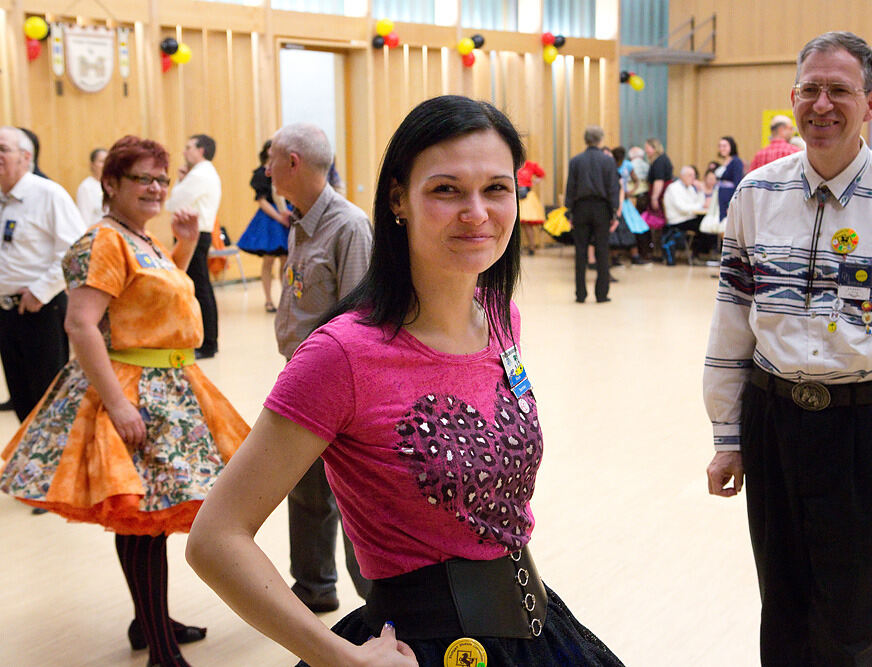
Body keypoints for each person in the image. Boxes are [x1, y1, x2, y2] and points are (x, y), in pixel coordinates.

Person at [186, 94, 624, 667]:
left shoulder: (499, 315)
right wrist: (336, 655)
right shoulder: (341, 354)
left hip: (533, 626)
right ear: (398, 199)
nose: (477, 212)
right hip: (424, 644)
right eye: (446, 190)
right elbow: (216, 538)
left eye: (496, 188)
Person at [704, 32, 872, 665]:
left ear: (871, 102)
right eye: (810, 90)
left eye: (840, 91)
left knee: (850, 621)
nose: (822, 105)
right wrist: (727, 435)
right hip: (775, 422)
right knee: (784, 607)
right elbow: (732, 322)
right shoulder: (755, 196)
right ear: (792, 98)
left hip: (868, 429)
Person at [0, 135, 250, 667]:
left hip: (168, 388)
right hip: (134, 390)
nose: (157, 187)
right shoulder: (104, 241)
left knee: (156, 516)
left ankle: (150, 621)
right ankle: (159, 645)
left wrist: (182, 245)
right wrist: (117, 405)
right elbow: (81, 322)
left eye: (162, 178)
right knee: (143, 518)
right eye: (144, 178)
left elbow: (160, 300)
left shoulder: (141, 238)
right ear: (111, 184)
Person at [270, 122, 374, 611]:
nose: (265, 169)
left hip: (339, 386)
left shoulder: (348, 226)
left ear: (292, 162)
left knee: (354, 499)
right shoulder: (301, 220)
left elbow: (361, 319)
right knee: (306, 489)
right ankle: (314, 587)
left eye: (270, 159)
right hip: (301, 376)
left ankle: (382, 602)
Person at [0, 126, 86, 423]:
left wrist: (41, 290)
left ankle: (57, 467)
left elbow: (75, 249)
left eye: (2, 149)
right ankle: (29, 466)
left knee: (49, 400)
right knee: (21, 400)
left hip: (41, 310)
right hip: (6, 313)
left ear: (26, 157)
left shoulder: (48, 194)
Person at [166, 133, 221, 359]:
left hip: (196, 236)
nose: (184, 151)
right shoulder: (201, 173)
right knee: (200, 288)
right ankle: (206, 341)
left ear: (201, 151)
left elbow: (173, 203)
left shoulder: (200, 174)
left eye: (188, 147)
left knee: (200, 289)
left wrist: (181, 181)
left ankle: (208, 344)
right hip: (197, 234)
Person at [565, 126, 619, 303]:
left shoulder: (575, 161)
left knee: (580, 251)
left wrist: (569, 211)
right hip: (602, 209)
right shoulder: (608, 161)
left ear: (585, 139)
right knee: (602, 251)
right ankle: (601, 294)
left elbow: (570, 187)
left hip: (580, 208)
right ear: (600, 139)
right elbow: (613, 188)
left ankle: (580, 294)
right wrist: (614, 212)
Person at [237, 139, 290, 312]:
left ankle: (285, 298)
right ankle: (268, 299)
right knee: (268, 260)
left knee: (286, 260)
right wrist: (279, 217)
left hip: (286, 215)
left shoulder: (286, 169)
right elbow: (261, 201)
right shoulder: (260, 174)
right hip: (269, 219)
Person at [663, 165, 709, 261]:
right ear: (682, 176)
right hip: (677, 220)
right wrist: (699, 206)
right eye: (690, 175)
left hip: (688, 218)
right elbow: (682, 208)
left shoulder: (690, 188)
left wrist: (700, 190)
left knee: (706, 223)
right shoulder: (673, 188)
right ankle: (695, 255)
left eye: (694, 176)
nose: (693, 178)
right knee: (703, 226)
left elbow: (700, 203)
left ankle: (697, 254)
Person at [641, 138, 673, 258]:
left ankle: (658, 252)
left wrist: (654, 198)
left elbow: (659, 181)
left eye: (647, 147)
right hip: (661, 194)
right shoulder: (662, 159)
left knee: (656, 224)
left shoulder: (659, 161)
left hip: (659, 195)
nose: (646, 150)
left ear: (654, 148)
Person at [516, 157, 546, 255]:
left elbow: (541, 174)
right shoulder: (512, 164)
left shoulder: (530, 165)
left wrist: (533, 182)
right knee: (515, 225)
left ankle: (531, 247)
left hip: (526, 196)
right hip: (515, 196)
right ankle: (515, 248)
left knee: (527, 224)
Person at [714, 136, 744, 224]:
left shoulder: (736, 161)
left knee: (726, 222)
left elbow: (737, 182)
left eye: (724, 146)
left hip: (728, 195)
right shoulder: (724, 162)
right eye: (720, 146)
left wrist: (733, 201)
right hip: (720, 194)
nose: (721, 148)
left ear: (731, 146)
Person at [76, 147, 108, 225]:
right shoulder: (86, 187)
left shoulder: (112, 185)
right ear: (92, 164)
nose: (105, 165)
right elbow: (85, 219)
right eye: (102, 161)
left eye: (107, 161)